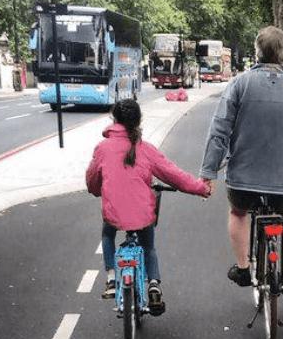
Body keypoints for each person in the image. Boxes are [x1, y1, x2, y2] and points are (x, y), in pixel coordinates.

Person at [200, 26, 283, 294]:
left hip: (244, 179)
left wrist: (209, 171)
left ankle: (242, 268)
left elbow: (219, 131)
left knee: (238, 212)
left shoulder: (239, 84)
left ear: (257, 52)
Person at [86, 99, 211, 313]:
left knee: (107, 235)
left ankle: (112, 277)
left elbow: (92, 181)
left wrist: (99, 191)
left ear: (114, 119)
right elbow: (174, 175)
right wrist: (201, 188)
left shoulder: (103, 148)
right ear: (138, 121)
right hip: (143, 214)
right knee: (148, 246)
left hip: (113, 214)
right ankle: (154, 283)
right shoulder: (146, 149)